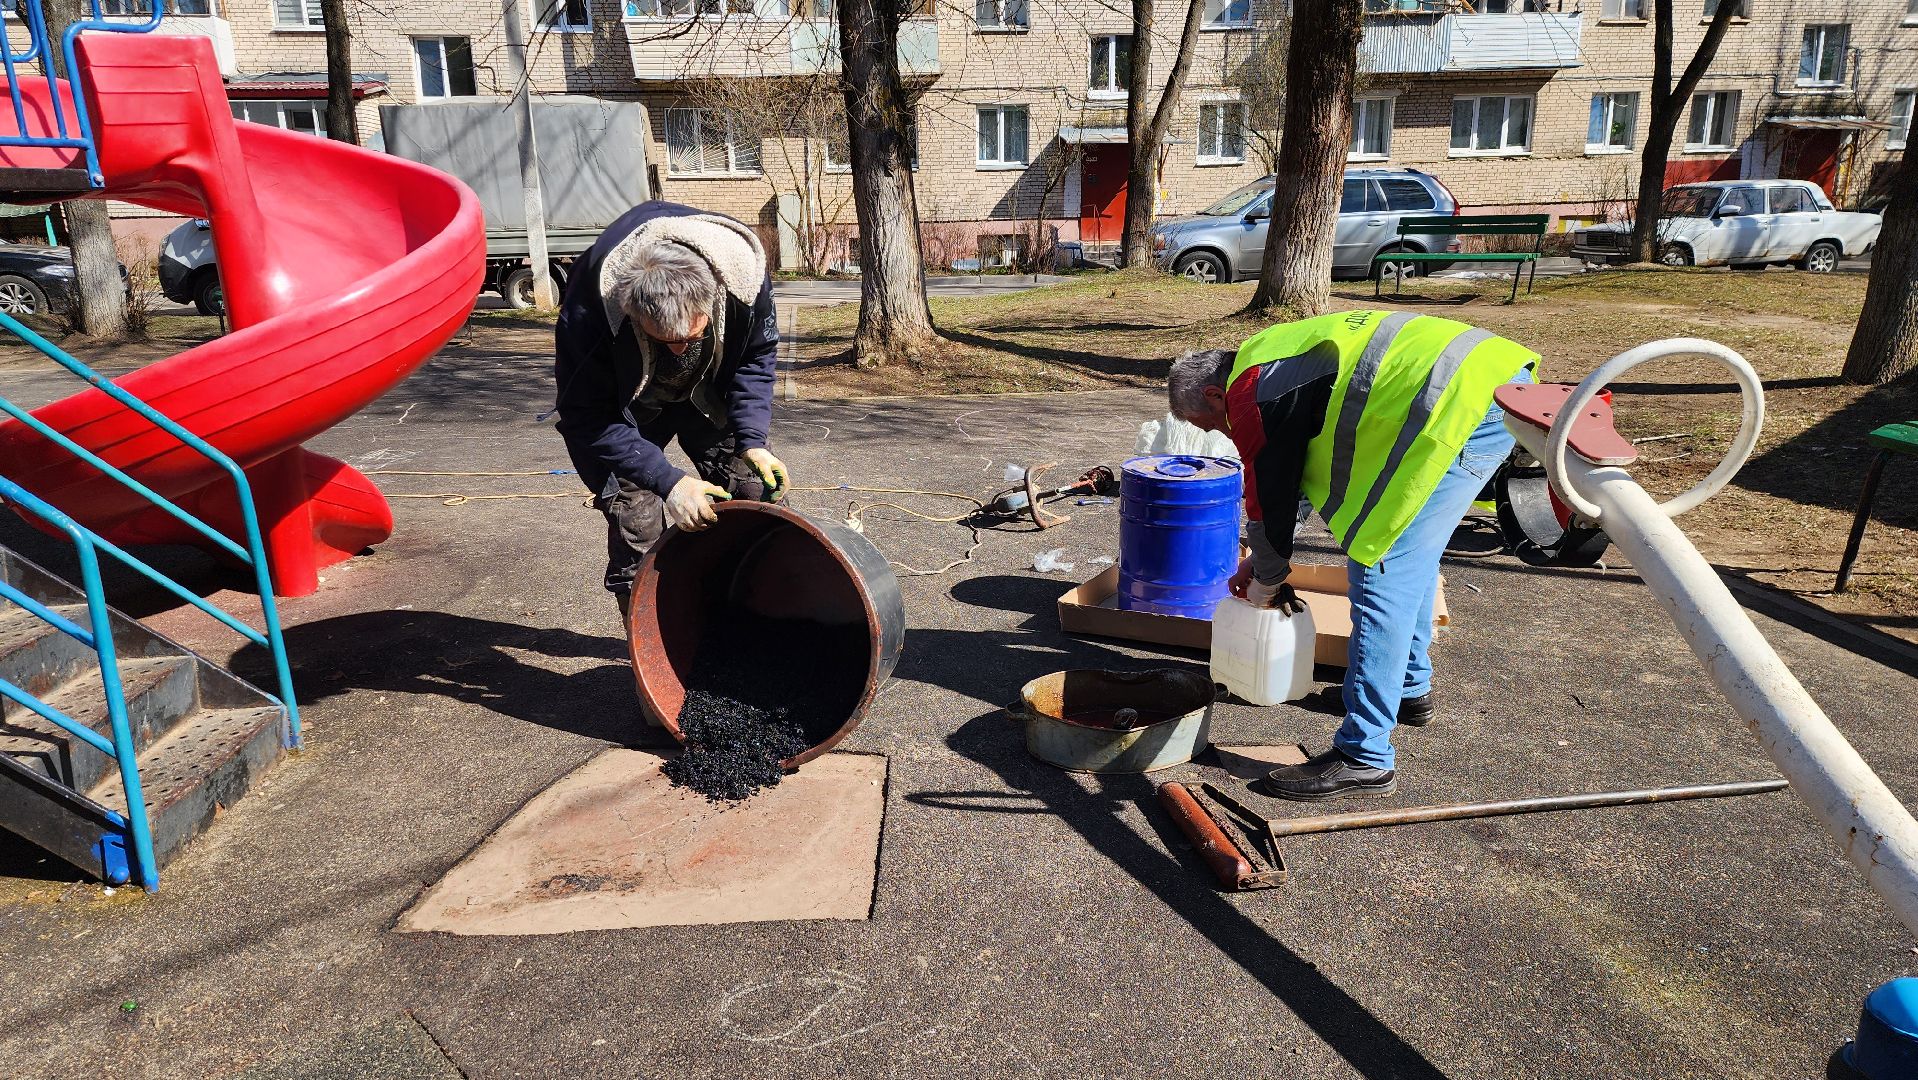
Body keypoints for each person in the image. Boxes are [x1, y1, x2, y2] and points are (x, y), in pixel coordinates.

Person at [1167, 311, 1537, 801]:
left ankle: (1365, 756)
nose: (1220, 433)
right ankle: (1407, 691)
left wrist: (1266, 581)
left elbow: (1270, 494)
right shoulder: (1267, 359)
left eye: (1209, 425)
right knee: (1409, 555)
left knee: (1381, 566)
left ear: (1216, 396)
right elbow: (1290, 479)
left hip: (1465, 403)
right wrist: (1263, 560)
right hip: (1492, 378)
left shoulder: (1250, 394)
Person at [554, 201, 789, 623]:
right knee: (637, 523)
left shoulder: (742, 280)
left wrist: (753, 439)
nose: (679, 348)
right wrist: (670, 483)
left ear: (713, 298)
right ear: (631, 310)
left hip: (707, 396)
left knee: (756, 488)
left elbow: (757, 356)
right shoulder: (591, 308)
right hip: (627, 413)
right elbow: (585, 415)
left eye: (689, 336)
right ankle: (661, 640)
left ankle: (756, 612)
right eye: (665, 340)